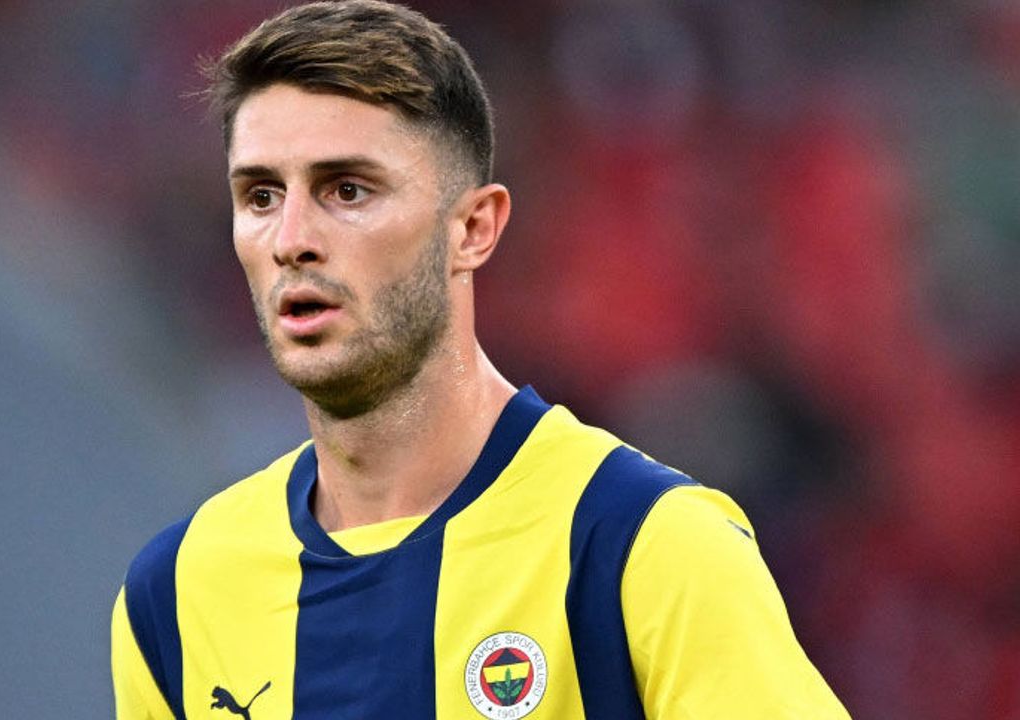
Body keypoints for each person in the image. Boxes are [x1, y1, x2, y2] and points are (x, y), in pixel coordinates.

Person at [111, 2, 849, 718]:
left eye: (348, 190)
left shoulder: (644, 546)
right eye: (261, 196)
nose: (291, 239)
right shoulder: (177, 595)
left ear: (472, 229)